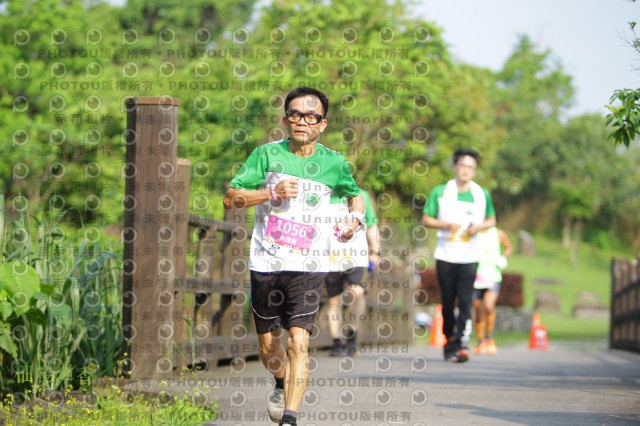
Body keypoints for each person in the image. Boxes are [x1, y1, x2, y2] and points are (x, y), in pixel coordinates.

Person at [223, 87, 365, 426]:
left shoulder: (334, 163)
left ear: (323, 124)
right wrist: (269, 193)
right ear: (286, 119)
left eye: (310, 116)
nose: (302, 121)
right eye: (295, 114)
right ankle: (279, 382)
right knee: (269, 347)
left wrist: (353, 222)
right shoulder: (265, 155)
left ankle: (290, 418)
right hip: (266, 263)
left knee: (299, 341)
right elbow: (230, 199)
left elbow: (355, 197)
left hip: (309, 265)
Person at [421, 148, 496, 363]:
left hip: (470, 255)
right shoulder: (440, 192)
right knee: (447, 302)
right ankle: (449, 340)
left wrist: (478, 227)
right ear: (455, 167)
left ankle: (462, 344)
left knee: (465, 300)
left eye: (471, 167)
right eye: (463, 166)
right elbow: (426, 219)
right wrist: (445, 224)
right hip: (446, 254)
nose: (466, 170)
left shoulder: (482, 194)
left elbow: (492, 220)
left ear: (475, 171)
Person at [325, 189, 380, 357]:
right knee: (333, 301)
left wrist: (376, 251)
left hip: (356, 256)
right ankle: (336, 341)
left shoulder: (359, 194)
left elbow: (371, 225)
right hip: (329, 257)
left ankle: (351, 334)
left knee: (356, 292)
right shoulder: (320, 194)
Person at [472, 227, 513, 354]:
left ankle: (489, 338)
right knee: (478, 309)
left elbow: (509, 246)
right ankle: (480, 341)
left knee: (488, 306)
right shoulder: (473, 232)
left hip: (492, 276)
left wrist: (504, 257)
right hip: (476, 276)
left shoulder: (498, 233)